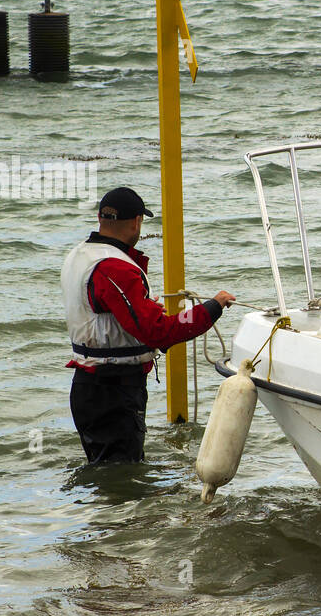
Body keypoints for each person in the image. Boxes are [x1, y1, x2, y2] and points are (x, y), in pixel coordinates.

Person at [61, 187, 235, 463]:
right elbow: (158, 333)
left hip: (91, 386)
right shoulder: (115, 267)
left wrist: (143, 307)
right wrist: (211, 308)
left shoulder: (80, 255)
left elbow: (100, 314)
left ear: (99, 218)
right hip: (113, 392)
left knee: (109, 478)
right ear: (136, 221)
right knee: (122, 481)